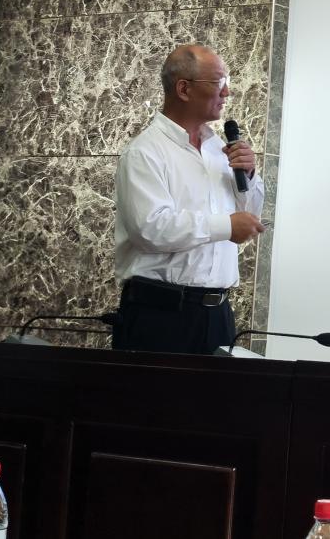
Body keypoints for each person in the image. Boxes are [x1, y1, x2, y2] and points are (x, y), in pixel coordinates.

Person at [112, 44, 266, 355]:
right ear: (184, 89)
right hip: (161, 315)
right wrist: (226, 226)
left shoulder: (219, 149)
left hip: (218, 313)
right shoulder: (145, 152)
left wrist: (248, 175)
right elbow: (150, 229)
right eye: (219, 82)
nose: (227, 92)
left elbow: (249, 219)